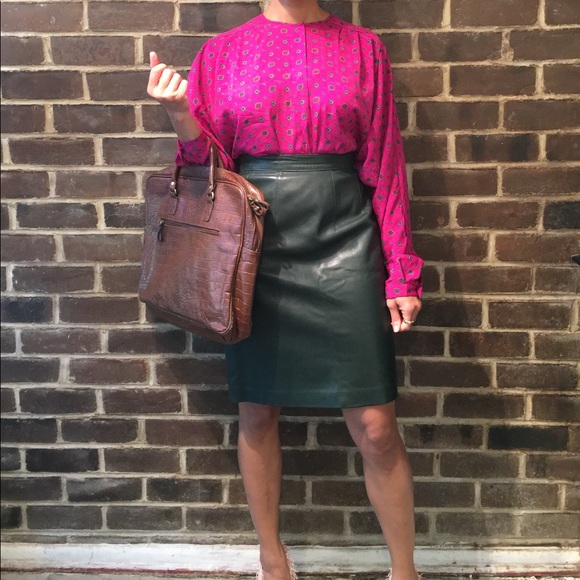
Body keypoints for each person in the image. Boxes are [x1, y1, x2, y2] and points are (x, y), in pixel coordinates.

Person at [147, 1, 423, 579]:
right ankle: (272, 560)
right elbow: (207, 170)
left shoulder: (364, 48)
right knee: (256, 412)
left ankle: (405, 572)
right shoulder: (221, 53)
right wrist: (179, 113)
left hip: (346, 238)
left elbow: (386, 162)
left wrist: (401, 268)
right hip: (255, 245)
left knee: (376, 427)